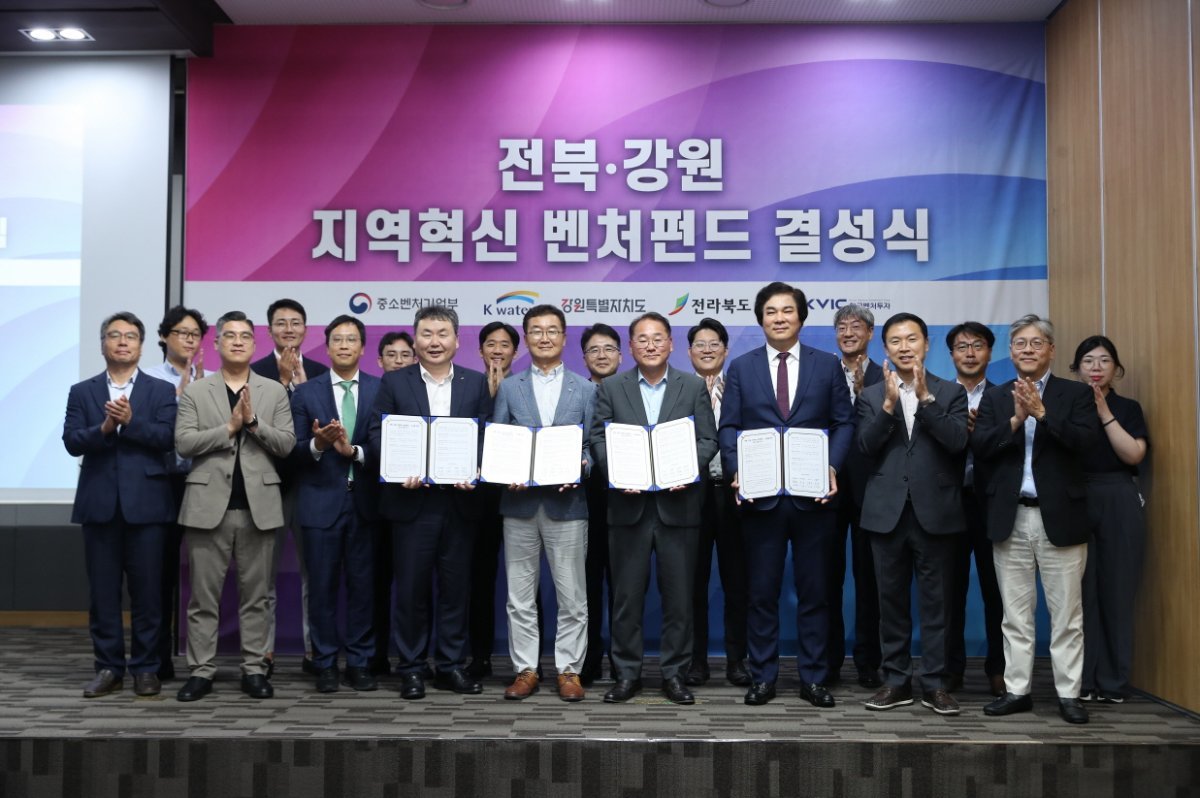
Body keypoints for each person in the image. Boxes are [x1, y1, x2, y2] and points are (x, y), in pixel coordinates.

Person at [718, 281, 854, 707]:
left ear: (801, 317)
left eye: (787, 310)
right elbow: (729, 426)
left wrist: (832, 466)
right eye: (771, 312)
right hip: (760, 499)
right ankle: (763, 676)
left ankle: (814, 678)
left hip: (814, 497)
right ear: (761, 320)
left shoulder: (826, 365)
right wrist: (736, 470)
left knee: (815, 593)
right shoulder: (741, 367)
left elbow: (844, 423)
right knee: (762, 594)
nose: (779, 318)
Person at [973, 314, 1097, 725]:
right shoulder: (995, 396)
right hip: (1011, 517)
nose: (1028, 350)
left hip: (1060, 517)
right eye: (1020, 344)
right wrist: (1014, 420)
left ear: (1052, 350)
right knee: (1015, 614)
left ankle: (1069, 694)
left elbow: (1086, 444)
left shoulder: (1075, 394)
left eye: (1036, 343)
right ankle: (1017, 690)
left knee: (1066, 616)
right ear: (1010, 352)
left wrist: (1043, 415)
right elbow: (981, 448)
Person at [590, 312, 718, 704]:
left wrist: (687, 469)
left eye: (658, 338)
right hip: (627, 507)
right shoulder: (613, 387)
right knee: (626, 598)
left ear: (670, 344)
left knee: (679, 599)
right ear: (630, 346)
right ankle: (627, 674)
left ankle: (675, 674)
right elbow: (598, 438)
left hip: (678, 507)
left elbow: (707, 439)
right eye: (642, 339)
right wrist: (619, 471)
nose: (650, 345)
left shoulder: (691, 386)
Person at [368, 304, 493, 700]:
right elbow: (376, 432)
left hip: (460, 503)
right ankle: (412, 668)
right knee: (411, 591)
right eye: (426, 334)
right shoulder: (395, 382)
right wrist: (397, 465)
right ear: (415, 340)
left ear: (456, 340)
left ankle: (450, 666)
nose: (434, 342)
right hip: (411, 503)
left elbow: (486, 435)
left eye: (442, 334)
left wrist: (476, 469)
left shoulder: (475, 383)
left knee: (456, 591)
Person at [174, 311, 296, 702]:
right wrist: (228, 428)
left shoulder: (273, 391)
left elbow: (287, 444)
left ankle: (255, 669)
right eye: (230, 335)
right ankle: (201, 671)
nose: (238, 341)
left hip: (258, 507)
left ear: (255, 345)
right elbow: (184, 443)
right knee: (202, 599)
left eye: (245, 336)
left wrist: (253, 422)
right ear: (217, 344)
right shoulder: (197, 391)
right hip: (207, 507)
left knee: (256, 597)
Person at [856, 313, 968, 716]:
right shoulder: (871, 396)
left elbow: (957, 442)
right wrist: (889, 406)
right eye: (896, 341)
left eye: (912, 339)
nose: (904, 347)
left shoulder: (950, 392)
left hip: (935, 512)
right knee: (891, 604)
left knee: (937, 604)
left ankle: (935, 684)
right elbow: (865, 448)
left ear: (926, 343)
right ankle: (896, 680)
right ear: (885, 348)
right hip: (886, 513)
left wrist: (925, 399)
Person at [63, 312, 178, 698]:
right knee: (103, 594)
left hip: (148, 506)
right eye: (115, 335)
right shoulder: (83, 391)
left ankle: (146, 668)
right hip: (100, 506)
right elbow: (72, 441)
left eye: (131, 336)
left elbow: (167, 438)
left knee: (148, 594)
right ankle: (108, 667)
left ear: (142, 346)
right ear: (103, 344)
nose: (123, 341)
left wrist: (130, 422)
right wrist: (104, 429)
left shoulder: (160, 391)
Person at [493, 304, 594, 702]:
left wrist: (583, 465)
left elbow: (593, 445)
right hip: (519, 505)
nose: (545, 337)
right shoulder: (510, 387)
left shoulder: (584, 389)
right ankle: (526, 670)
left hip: (567, 505)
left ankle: (569, 671)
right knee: (519, 596)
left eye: (552, 330)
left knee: (572, 596)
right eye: (536, 331)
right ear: (526, 339)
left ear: (564, 338)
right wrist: (504, 469)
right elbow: (499, 438)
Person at [289, 315, 382, 693]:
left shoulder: (380, 389)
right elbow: (292, 451)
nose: (344, 346)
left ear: (362, 347)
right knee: (322, 589)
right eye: (337, 340)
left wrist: (353, 451)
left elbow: (386, 446)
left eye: (351, 340)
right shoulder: (305, 393)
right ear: (326, 348)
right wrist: (319, 444)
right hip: (319, 504)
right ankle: (325, 662)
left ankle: (359, 662)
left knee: (363, 589)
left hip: (366, 505)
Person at [250, 298, 328, 677]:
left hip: (313, 485)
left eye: (295, 323)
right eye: (281, 323)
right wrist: (282, 384)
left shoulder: (321, 373)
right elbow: (254, 428)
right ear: (269, 331)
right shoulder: (254, 373)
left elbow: (327, 427)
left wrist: (305, 388)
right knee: (263, 577)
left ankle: (315, 652)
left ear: (306, 330)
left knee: (314, 575)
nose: (288, 329)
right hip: (269, 485)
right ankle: (262, 653)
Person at [1070, 335, 1148, 704]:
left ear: (1116, 368)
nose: (1096, 368)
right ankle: (1083, 680)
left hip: (1118, 494)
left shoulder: (1128, 408)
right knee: (1080, 594)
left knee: (1118, 589)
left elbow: (1133, 455)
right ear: (1076, 369)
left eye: (1104, 360)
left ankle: (1113, 682)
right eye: (1088, 361)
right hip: (1075, 496)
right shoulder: (1066, 404)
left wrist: (1104, 413)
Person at [145, 304, 210, 682]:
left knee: (206, 573)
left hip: (204, 481)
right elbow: (149, 432)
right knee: (160, 573)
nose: (189, 339)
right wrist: (180, 399)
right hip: (162, 483)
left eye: (195, 334)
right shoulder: (149, 380)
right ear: (164, 337)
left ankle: (204, 662)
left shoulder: (214, 379)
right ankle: (157, 659)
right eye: (181, 333)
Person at [684, 317, 750, 688]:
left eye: (714, 344)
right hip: (690, 494)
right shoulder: (678, 389)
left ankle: (737, 660)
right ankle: (695, 661)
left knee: (737, 581)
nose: (707, 350)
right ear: (688, 351)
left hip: (734, 492)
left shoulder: (741, 388)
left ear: (725, 350)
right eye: (700, 344)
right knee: (692, 583)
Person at [944, 321, 1006, 697]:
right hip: (948, 504)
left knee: (997, 592)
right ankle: (951, 670)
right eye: (962, 347)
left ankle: (998, 669)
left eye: (977, 345)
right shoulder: (937, 396)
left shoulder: (1005, 397)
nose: (970, 353)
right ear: (951, 354)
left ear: (990, 352)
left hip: (992, 504)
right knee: (949, 592)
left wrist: (983, 433)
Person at [827, 303, 883, 689]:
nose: (848, 333)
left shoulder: (885, 375)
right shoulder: (822, 373)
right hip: (826, 489)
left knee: (870, 581)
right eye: (842, 327)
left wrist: (867, 397)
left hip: (873, 489)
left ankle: (868, 662)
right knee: (827, 579)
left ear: (870, 333)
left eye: (856, 326)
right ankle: (829, 662)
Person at [467, 321, 520, 679]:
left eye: (504, 345)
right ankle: (479, 656)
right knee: (480, 578)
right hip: (478, 498)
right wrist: (488, 400)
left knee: (524, 582)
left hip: (518, 494)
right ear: (480, 350)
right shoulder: (468, 386)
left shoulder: (524, 386)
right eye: (490, 344)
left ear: (516, 351)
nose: (497, 350)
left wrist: (502, 397)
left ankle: (527, 663)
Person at [369, 328, 415, 675]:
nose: (398, 361)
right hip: (376, 505)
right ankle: (377, 655)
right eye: (391, 355)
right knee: (378, 583)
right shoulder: (376, 391)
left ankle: (415, 658)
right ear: (379, 360)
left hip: (416, 502)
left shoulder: (421, 391)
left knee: (414, 587)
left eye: (405, 355)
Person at [579, 323, 622, 684]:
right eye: (594, 349)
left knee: (624, 587)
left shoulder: (631, 393)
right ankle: (589, 660)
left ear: (621, 355)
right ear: (584, 358)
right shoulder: (576, 394)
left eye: (609, 348)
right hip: (582, 502)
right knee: (587, 585)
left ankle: (622, 663)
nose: (602, 355)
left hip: (626, 501)